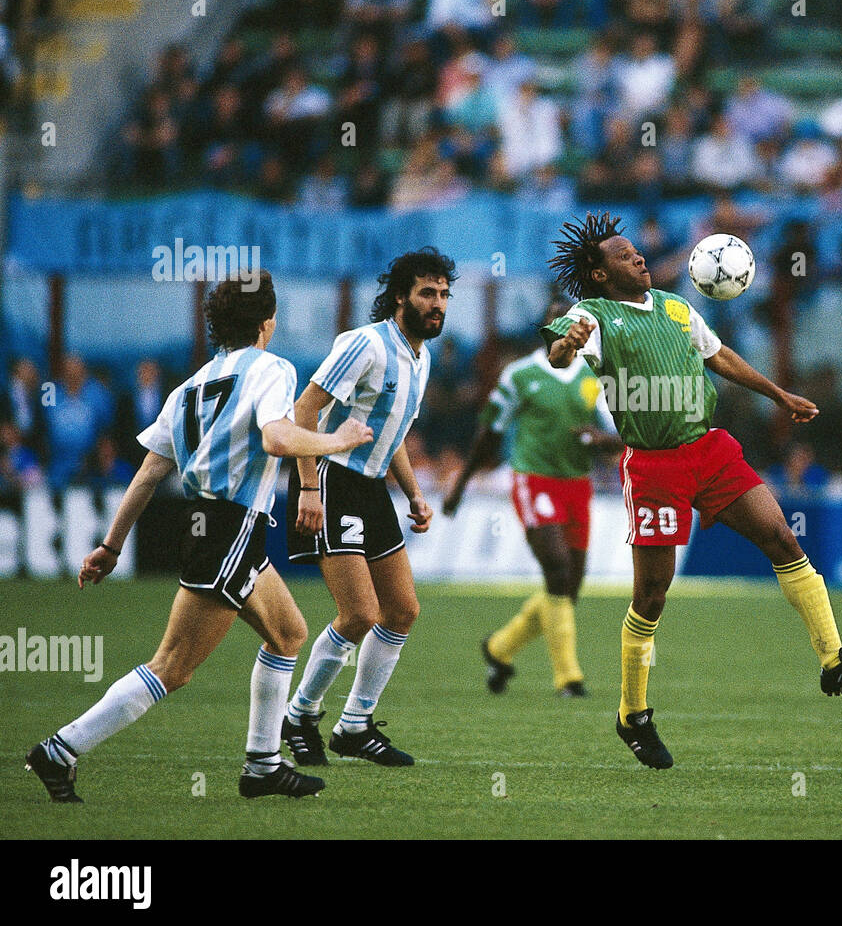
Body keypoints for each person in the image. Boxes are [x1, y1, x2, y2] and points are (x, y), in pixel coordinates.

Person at [541, 212, 842, 770]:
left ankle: (835, 662)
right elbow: (560, 354)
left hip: (709, 450)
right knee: (651, 596)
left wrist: (779, 394)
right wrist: (568, 344)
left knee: (782, 539)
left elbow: (718, 357)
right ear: (601, 275)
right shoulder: (593, 314)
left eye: (638, 251)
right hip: (654, 467)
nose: (639, 257)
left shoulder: (677, 308)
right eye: (625, 255)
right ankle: (633, 714)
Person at [25, 272, 373, 802]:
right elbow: (277, 437)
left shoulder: (191, 385)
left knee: (288, 633)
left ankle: (262, 766)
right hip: (228, 527)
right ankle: (61, 749)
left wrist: (111, 545)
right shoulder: (271, 368)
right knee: (172, 667)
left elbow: (148, 472)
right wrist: (336, 438)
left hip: (212, 526)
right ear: (266, 323)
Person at [282, 248, 453, 767]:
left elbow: (392, 433)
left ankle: (355, 725)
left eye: (444, 295)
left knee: (402, 611)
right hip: (332, 480)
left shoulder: (421, 357)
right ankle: (300, 714)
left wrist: (416, 493)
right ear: (400, 295)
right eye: (427, 293)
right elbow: (304, 410)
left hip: (373, 487)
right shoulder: (365, 343)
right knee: (359, 613)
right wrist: (309, 486)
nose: (438, 304)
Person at [442, 300, 620, 697]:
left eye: (575, 321)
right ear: (546, 328)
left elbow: (617, 433)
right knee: (556, 570)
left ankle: (499, 647)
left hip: (578, 483)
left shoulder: (596, 374)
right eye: (559, 321)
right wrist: (460, 484)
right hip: (534, 480)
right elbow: (489, 431)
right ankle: (568, 678)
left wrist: (599, 439)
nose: (569, 329)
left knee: (569, 586)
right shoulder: (520, 375)